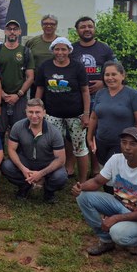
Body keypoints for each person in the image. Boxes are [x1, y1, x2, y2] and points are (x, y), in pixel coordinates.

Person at [72, 127, 137, 256]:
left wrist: (116, 219)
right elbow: (97, 182)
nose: (127, 147)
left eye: (133, 144)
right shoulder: (116, 159)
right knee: (82, 196)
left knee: (117, 233)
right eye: (124, 142)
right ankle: (106, 240)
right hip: (119, 205)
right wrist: (80, 187)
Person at [34, 37, 91, 181]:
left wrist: (86, 114)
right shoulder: (45, 66)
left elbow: (85, 91)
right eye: (57, 49)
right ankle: (48, 178)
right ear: (52, 50)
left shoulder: (77, 67)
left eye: (63, 49)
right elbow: (40, 88)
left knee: (79, 148)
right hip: (52, 115)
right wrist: (36, 109)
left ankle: (82, 182)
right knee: (49, 147)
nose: (60, 52)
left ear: (69, 50)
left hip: (75, 115)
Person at [1, 98, 67, 203]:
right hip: (26, 161)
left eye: (38, 112)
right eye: (30, 112)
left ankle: (49, 191)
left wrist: (40, 174)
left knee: (60, 176)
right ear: (25, 112)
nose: (34, 116)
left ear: (44, 113)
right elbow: (11, 149)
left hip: (46, 163)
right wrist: (23, 169)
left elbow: (61, 159)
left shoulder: (54, 132)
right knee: (7, 166)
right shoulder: (17, 126)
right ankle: (24, 186)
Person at [86, 61, 137, 168]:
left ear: (122, 75)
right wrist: (89, 137)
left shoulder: (133, 95)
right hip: (101, 142)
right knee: (104, 172)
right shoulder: (100, 93)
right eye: (107, 75)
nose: (110, 78)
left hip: (122, 144)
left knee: (116, 174)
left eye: (114, 74)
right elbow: (94, 117)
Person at [0, 20, 34, 138]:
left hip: (19, 99)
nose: (12, 31)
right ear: (5, 32)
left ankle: (18, 156)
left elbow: (30, 77)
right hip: (0, 98)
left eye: (15, 29)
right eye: (9, 29)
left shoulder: (25, 51)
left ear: (19, 32)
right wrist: (2, 94)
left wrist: (19, 94)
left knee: (19, 132)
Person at [70, 16, 115, 106]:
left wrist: (104, 83)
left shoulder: (105, 48)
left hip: (100, 97)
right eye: (83, 27)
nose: (87, 29)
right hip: (76, 97)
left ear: (94, 29)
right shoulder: (70, 49)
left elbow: (116, 71)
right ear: (77, 30)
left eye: (90, 26)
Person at [26, 14, 59, 97]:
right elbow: (26, 61)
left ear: (56, 26)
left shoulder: (61, 42)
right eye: (45, 23)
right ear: (41, 25)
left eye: (52, 24)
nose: (48, 26)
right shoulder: (32, 42)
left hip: (56, 83)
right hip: (35, 83)